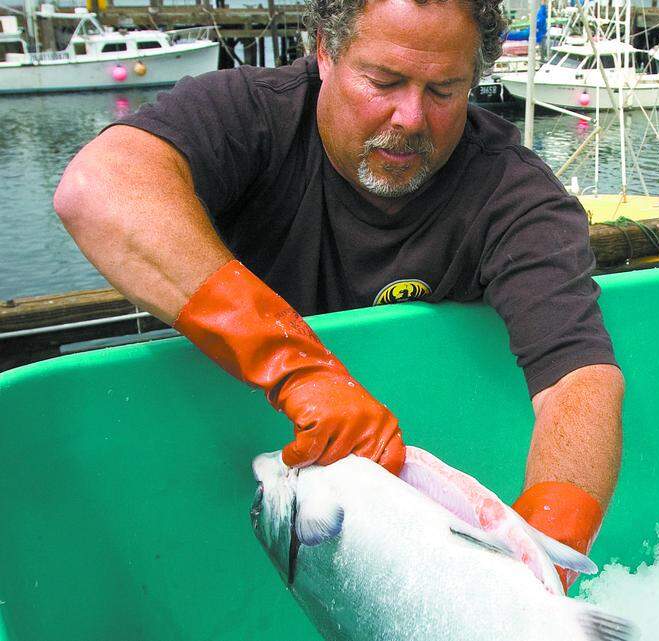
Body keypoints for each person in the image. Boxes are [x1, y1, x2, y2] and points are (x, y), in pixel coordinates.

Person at [53, 0, 622, 592]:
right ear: (325, 50)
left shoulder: (517, 196)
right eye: (384, 81)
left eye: (445, 91)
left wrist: (544, 567)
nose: (410, 117)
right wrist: (300, 372)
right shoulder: (249, 114)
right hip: (216, 473)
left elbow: (579, 380)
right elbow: (97, 187)